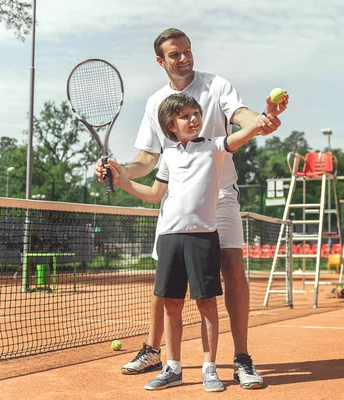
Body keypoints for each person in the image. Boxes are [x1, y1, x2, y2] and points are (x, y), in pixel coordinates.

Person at [95, 28, 288, 389]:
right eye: (175, 54)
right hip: (178, 200)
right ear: (161, 61)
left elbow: (241, 118)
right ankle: (156, 351)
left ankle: (242, 358)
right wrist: (121, 171)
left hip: (222, 193)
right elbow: (147, 159)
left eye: (187, 51)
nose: (184, 59)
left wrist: (262, 120)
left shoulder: (216, 86)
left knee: (232, 266)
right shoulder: (156, 104)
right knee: (166, 281)